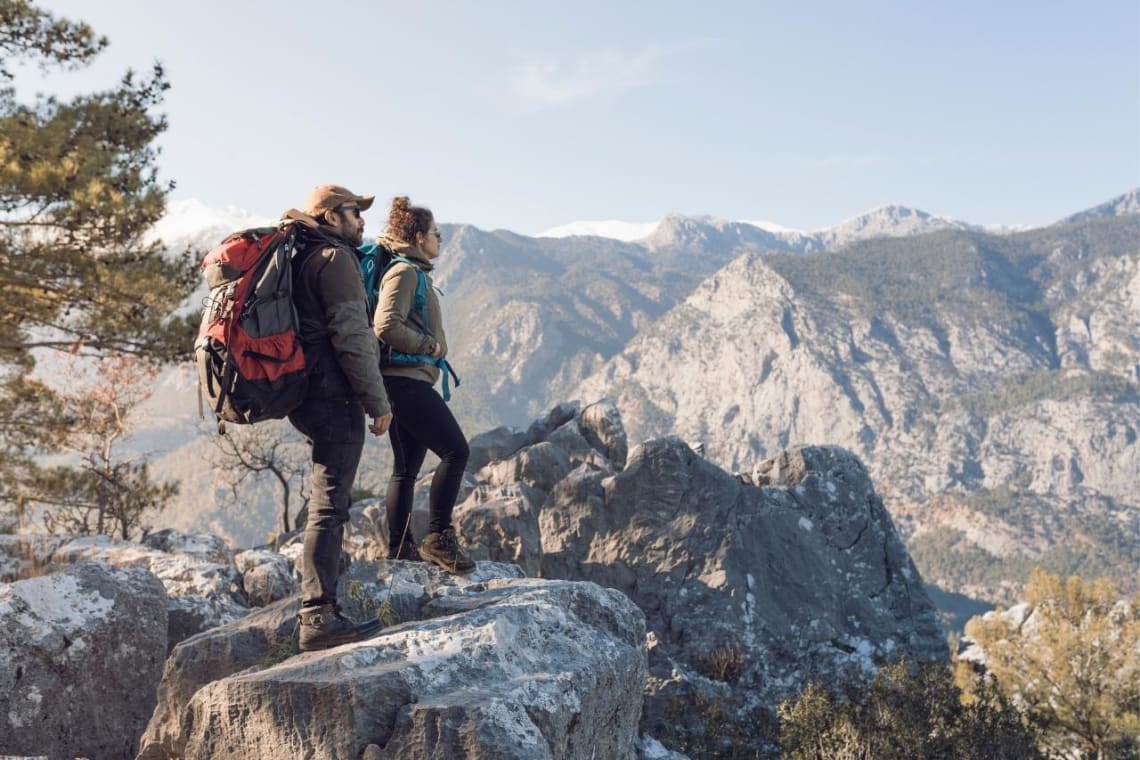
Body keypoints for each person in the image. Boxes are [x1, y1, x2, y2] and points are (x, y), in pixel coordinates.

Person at [281, 184, 394, 651]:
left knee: (325, 504)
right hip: (334, 395)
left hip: (305, 394)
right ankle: (318, 617)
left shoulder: (300, 255)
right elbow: (352, 336)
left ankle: (320, 608)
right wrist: (378, 402)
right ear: (330, 215)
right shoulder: (335, 260)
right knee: (329, 507)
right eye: (354, 212)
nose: (362, 221)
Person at [373, 196, 473, 573]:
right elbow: (384, 325)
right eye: (436, 233)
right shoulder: (405, 273)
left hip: (401, 382)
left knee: (406, 469)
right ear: (418, 236)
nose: (440, 239)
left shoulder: (413, 271)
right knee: (456, 451)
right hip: (405, 382)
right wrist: (425, 345)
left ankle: (399, 549)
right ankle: (438, 537)